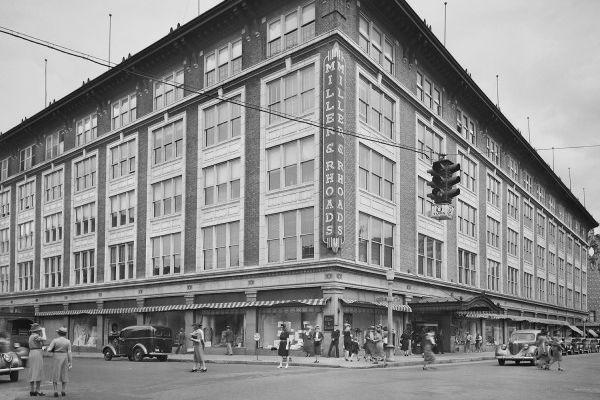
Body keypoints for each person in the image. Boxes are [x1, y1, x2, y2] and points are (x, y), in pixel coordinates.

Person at [46, 327, 72, 398]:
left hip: (56, 357)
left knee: (55, 373)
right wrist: (70, 362)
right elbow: (69, 352)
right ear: (65, 334)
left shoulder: (55, 340)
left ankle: (55, 391)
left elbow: (49, 349)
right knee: (64, 373)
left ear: (58, 333)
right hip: (65, 357)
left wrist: (47, 348)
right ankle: (63, 390)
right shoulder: (68, 341)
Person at [28, 323, 46, 396]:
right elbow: (44, 338)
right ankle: (37, 390)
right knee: (38, 370)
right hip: (37, 353)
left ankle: (32, 390)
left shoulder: (31, 336)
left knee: (32, 371)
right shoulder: (36, 336)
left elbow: (42, 343)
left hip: (32, 352)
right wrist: (44, 331)